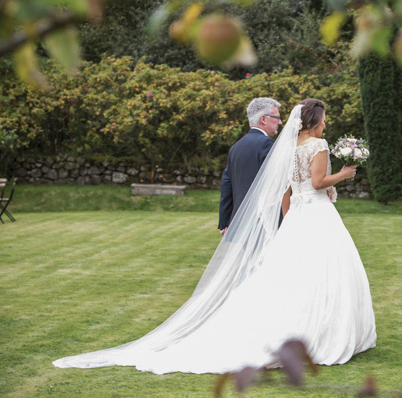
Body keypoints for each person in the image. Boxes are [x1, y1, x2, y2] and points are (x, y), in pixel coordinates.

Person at [53, 99, 376, 374]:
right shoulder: (316, 145)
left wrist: (282, 220)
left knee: (286, 278)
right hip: (316, 214)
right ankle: (319, 332)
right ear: (316, 120)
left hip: (297, 216)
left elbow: (281, 191)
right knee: (323, 273)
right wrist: (344, 175)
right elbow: (318, 182)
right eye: (324, 120)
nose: (325, 125)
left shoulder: (282, 148)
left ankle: (286, 332)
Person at [218, 97, 282, 235]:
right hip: (263, 221)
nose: (280, 122)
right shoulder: (267, 144)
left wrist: (225, 221)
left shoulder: (236, 147)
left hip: (240, 222)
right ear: (263, 119)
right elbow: (276, 182)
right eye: (277, 117)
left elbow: (227, 184)